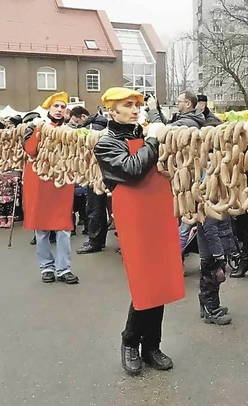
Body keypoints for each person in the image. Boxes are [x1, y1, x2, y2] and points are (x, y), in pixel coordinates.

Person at [93, 87, 185, 375]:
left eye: (137, 105)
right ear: (112, 111)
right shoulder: (106, 143)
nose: (135, 109)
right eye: (127, 105)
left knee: (162, 278)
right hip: (134, 213)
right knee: (146, 280)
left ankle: (152, 346)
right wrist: (154, 139)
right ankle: (130, 341)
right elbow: (132, 170)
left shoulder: (142, 134)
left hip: (158, 208)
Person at [22, 91, 79, 285]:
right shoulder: (35, 127)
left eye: (63, 107)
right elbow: (30, 150)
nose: (60, 110)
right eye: (56, 106)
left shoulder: (71, 131)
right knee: (42, 228)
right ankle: (46, 267)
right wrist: (38, 131)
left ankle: (64, 269)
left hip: (62, 181)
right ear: (49, 108)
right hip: (39, 181)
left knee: (63, 227)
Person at [78, 113, 110, 254]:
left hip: (96, 175)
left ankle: (95, 241)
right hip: (108, 175)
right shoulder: (107, 129)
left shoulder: (91, 130)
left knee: (94, 209)